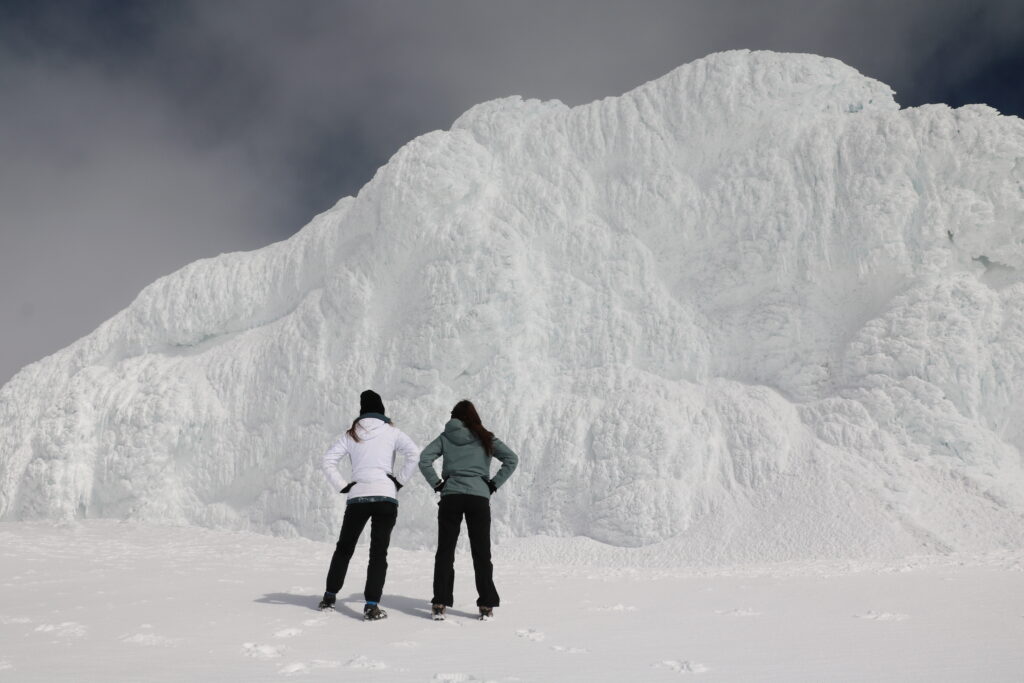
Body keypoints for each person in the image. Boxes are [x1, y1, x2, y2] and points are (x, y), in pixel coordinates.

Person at [319, 390, 419, 620]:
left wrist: (343, 485)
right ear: (382, 410)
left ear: (361, 411)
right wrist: (399, 480)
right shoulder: (392, 432)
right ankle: (371, 605)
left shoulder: (352, 434)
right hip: (385, 496)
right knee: (378, 552)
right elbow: (414, 453)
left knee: (345, 548)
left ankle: (329, 597)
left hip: (358, 497)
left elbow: (328, 460)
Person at [419, 399, 519, 621]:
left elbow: (424, 459)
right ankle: (486, 605)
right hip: (478, 499)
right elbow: (512, 459)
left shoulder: (446, 437)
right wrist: (492, 484)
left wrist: (437, 484)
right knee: (481, 552)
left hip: (451, 497)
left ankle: (439, 602)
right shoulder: (485, 437)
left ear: (453, 417)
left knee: (445, 551)